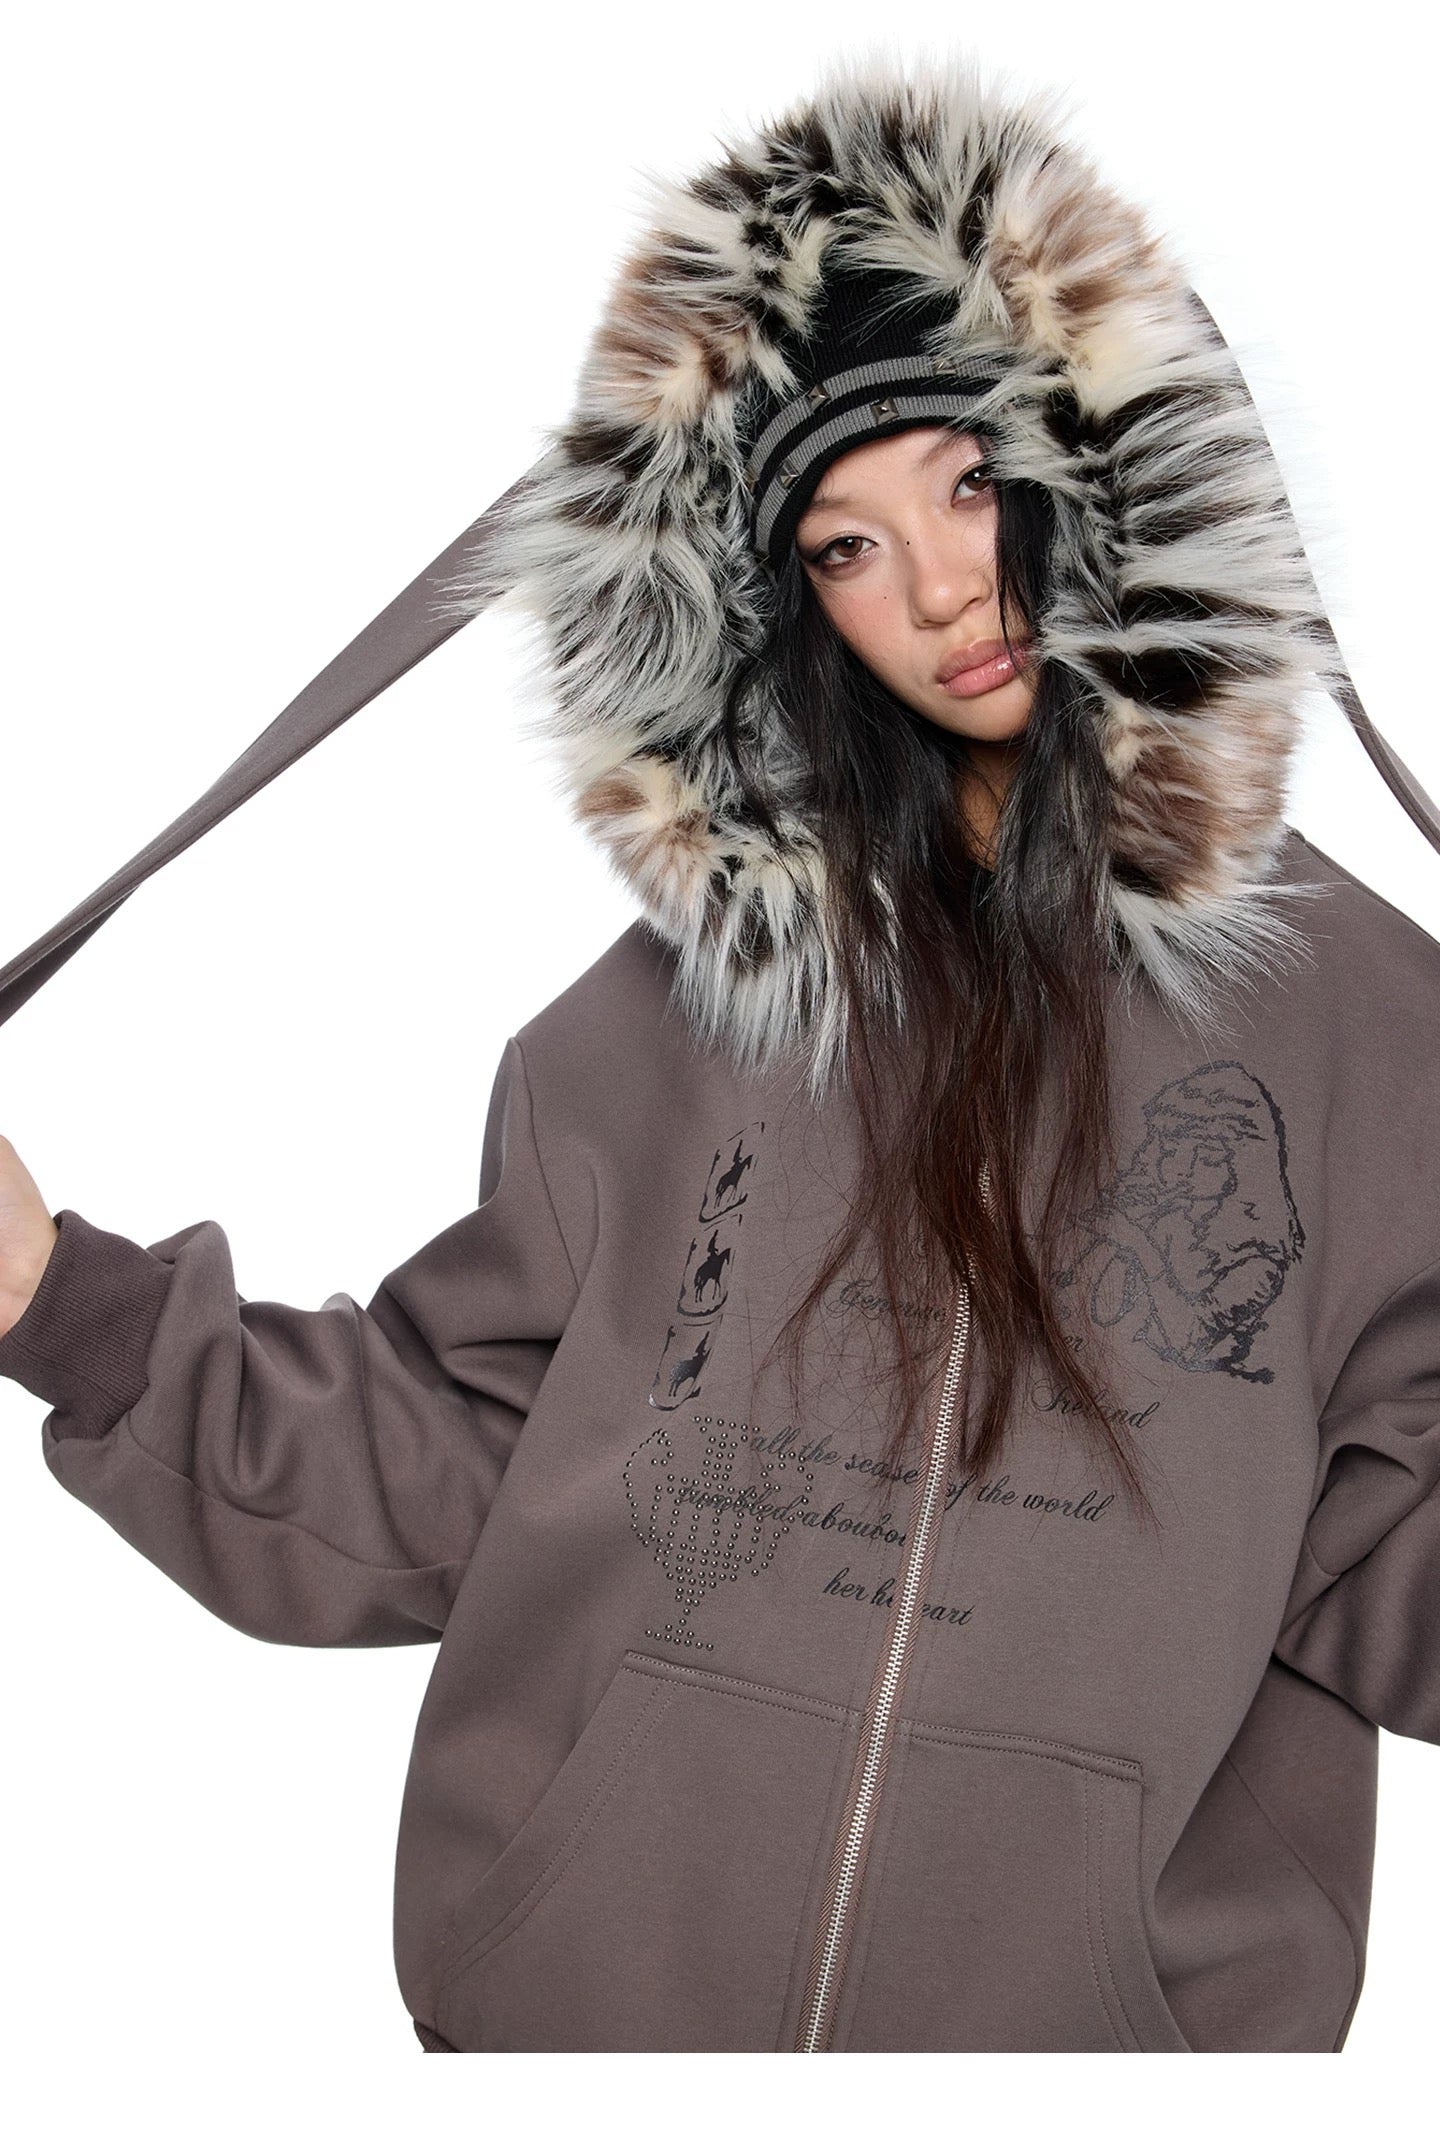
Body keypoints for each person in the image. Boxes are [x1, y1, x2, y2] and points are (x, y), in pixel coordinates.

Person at [2, 50, 1438, 2056]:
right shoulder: (675, 1021)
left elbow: (1397, 1565)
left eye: (968, 480)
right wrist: (53, 1300)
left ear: (1111, 470)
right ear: (776, 610)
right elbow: (463, 1477)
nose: (941, 586)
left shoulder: (1375, 1041)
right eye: (844, 544)